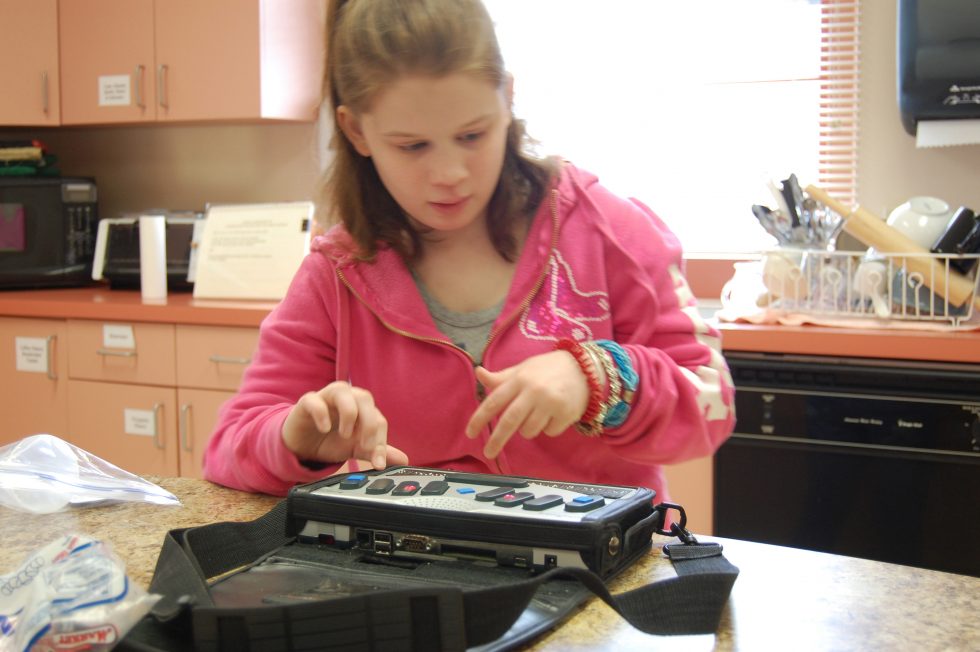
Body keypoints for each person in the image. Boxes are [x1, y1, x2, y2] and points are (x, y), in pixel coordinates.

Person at [203, 0, 735, 502]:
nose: (450, 175)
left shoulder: (608, 229)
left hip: (599, 578)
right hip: (421, 577)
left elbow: (711, 408)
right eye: (412, 146)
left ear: (507, 98)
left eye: (473, 135)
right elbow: (229, 446)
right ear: (356, 131)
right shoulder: (337, 272)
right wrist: (294, 440)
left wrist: (601, 377)